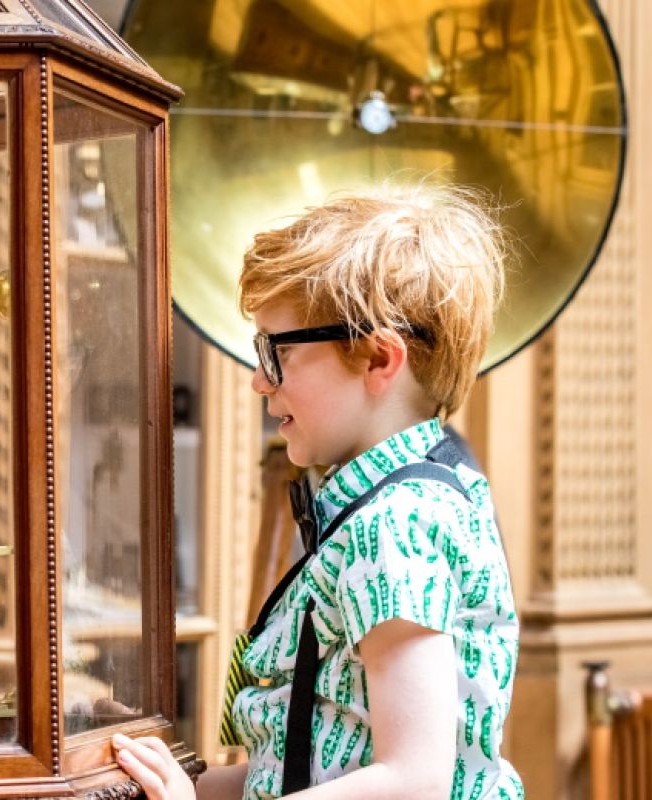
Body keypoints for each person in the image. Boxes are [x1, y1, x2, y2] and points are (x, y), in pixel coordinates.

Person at [113, 183, 523, 799]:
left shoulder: (395, 522)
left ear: (380, 359)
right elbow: (298, 769)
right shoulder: (404, 504)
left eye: (275, 351)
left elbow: (414, 781)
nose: (258, 380)